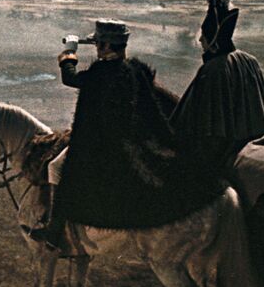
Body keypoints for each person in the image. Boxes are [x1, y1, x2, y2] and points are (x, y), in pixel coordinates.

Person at [27, 19, 228, 252]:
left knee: (56, 167)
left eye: (98, 44)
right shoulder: (136, 70)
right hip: (134, 142)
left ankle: (54, 230)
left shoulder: (101, 73)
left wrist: (69, 52)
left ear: (105, 46)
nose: (96, 49)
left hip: (101, 146)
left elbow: (70, 78)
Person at [170, 0, 264, 178]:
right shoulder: (250, 60)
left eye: (205, 35)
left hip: (226, 147)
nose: (201, 40)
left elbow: (192, 121)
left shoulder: (212, 70)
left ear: (214, 40)